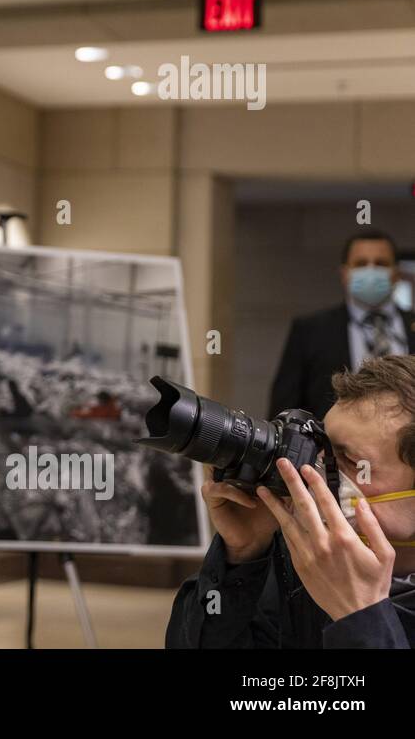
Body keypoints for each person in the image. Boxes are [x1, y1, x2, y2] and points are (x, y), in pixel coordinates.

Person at [167, 355, 415, 647]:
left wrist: (361, 615)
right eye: (321, 448)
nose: (316, 471)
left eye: (350, 461)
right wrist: (241, 561)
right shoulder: (303, 564)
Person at [269, 231, 415, 422]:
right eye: (361, 264)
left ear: (396, 273)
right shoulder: (310, 331)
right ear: (345, 273)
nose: (371, 271)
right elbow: (285, 409)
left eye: (381, 263)